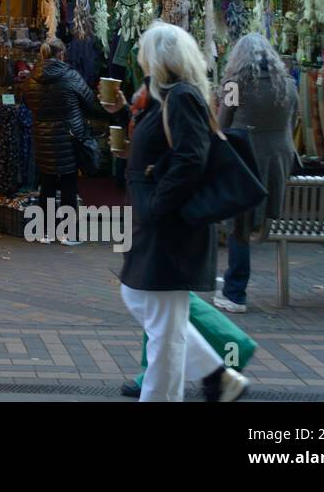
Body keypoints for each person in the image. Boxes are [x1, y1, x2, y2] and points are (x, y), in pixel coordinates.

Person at [119, 22, 249, 401]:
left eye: (145, 51)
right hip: (158, 220)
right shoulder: (167, 95)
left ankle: (197, 383)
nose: (141, 58)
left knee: (163, 326)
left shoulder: (181, 97)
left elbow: (192, 157)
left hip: (169, 224)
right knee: (145, 303)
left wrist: (159, 202)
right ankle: (217, 375)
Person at [213, 33, 299, 313]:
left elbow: (223, 123)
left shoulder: (235, 84)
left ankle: (235, 292)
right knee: (253, 219)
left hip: (245, 156)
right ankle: (234, 282)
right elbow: (293, 118)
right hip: (279, 158)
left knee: (239, 223)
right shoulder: (286, 84)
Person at [22, 37, 126, 244]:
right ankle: (68, 233)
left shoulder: (31, 78)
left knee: (48, 183)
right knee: (68, 184)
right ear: (61, 54)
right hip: (68, 136)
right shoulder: (69, 75)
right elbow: (90, 103)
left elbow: (28, 102)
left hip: (42, 137)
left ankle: (45, 232)